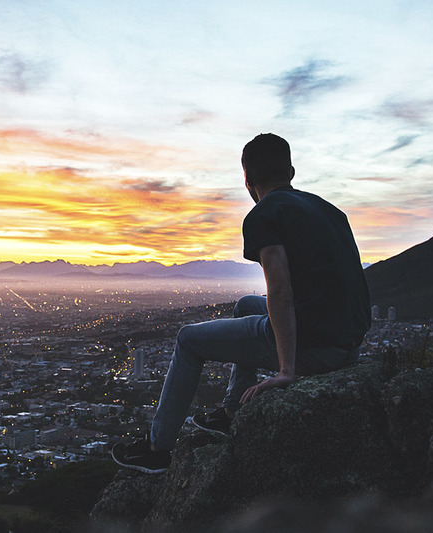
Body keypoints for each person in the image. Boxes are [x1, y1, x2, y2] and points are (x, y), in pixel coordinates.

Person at [112, 133, 371, 474]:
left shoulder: (265, 213)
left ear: (247, 181)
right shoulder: (330, 211)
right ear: (291, 172)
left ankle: (157, 449)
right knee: (247, 305)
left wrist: (286, 371)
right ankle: (232, 411)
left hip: (314, 345)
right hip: (347, 344)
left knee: (188, 340)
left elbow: (279, 289)